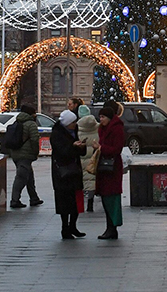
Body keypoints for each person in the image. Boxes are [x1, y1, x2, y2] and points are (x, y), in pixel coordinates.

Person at [50, 109, 87, 239]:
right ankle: (65, 228)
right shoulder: (57, 134)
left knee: (75, 200)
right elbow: (62, 152)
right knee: (64, 202)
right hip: (62, 172)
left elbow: (77, 151)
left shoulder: (73, 131)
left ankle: (73, 226)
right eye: (73, 122)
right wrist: (74, 146)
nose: (75, 124)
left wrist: (81, 147)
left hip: (74, 171)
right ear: (67, 123)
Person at [94, 100, 126, 239]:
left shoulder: (116, 128)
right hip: (104, 167)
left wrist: (101, 148)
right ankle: (110, 227)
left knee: (112, 198)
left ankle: (112, 227)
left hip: (111, 167)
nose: (100, 120)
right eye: (100, 117)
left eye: (103, 117)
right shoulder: (103, 128)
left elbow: (116, 149)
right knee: (106, 198)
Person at [9, 103, 43, 209]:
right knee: (21, 177)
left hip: (16, 153)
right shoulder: (31, 124)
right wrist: (35, 152)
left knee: (29, 177)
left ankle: (34, 198)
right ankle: (14, 200)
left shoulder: (17, 122)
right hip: (25, 154)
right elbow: (34, 139)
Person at [76, 104, 100, 212]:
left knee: (83, 181)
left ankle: (81, 205)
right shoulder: (97, 126)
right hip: (94, 158)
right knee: (92, 180)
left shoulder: (77, 127)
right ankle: (90, 203)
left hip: (82, 157)